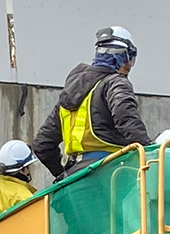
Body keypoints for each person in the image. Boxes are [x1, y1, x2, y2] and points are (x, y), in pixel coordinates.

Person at [32, 25, 152, 181]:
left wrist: (62, 175)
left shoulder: (68, 95)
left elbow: (42, 145)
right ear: (120, 56)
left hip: (74, 179)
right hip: (109, 173)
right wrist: (150, 152)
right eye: (129, 59)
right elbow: (127, 120)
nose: (129, 66)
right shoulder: (116, 83)